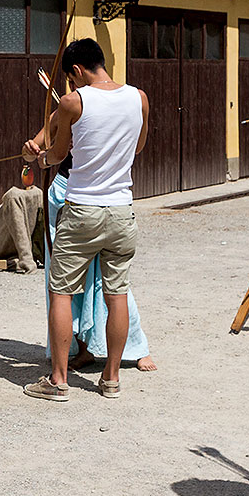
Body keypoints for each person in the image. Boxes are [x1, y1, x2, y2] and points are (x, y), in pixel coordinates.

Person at [21, 38, 148, 401]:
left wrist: (40, 159)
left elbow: (57, 156)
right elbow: (137, 147)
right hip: (122, 210)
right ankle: (111, 379)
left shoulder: (74, 101)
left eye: (71, 78)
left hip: (83, 209)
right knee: (117, 293)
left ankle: (58, 381)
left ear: (76, 71)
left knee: (60, 290)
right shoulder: (138, 97)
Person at [44, 166, 156, 372]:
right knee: (109, 290)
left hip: (88, 201)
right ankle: (88, 354)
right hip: (86, 197)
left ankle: (60, 379)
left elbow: (55, 153)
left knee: (78, 289)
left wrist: (43, 156)